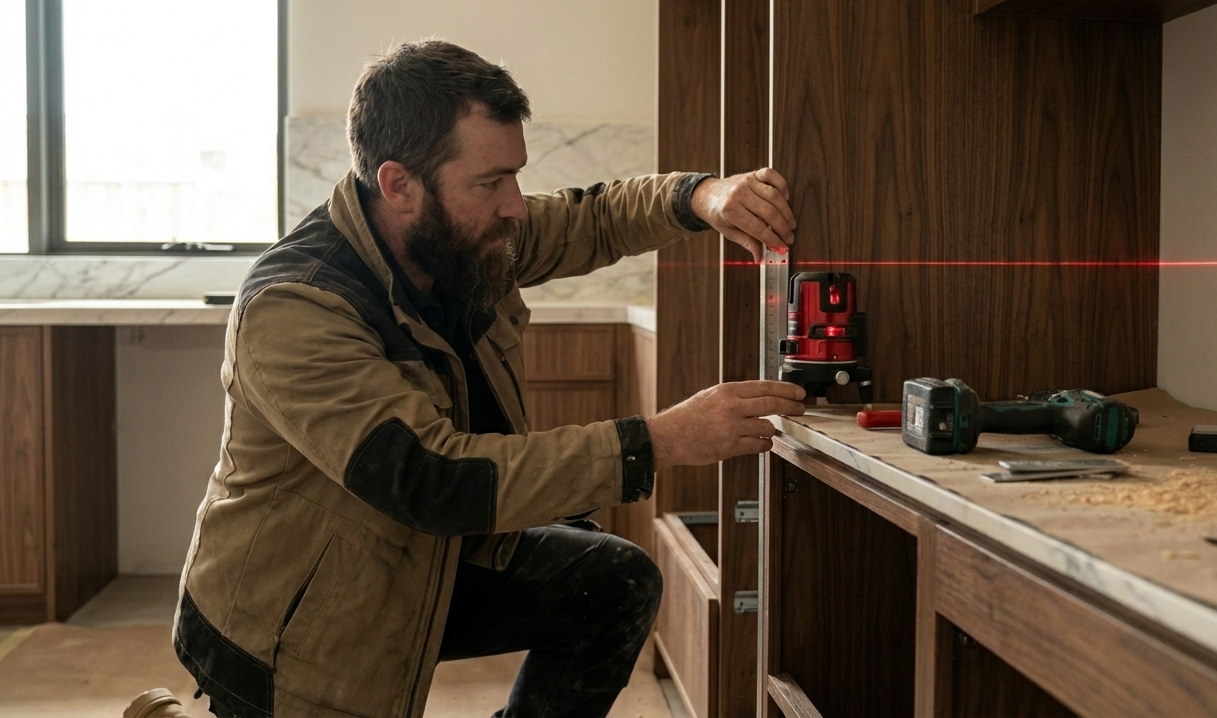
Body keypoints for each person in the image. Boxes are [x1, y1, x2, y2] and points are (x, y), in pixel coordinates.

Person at [173, 39, 805, 718]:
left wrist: (703, 197)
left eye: (515, 176)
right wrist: (654, 441)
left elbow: (592, 217)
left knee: (611, 583)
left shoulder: (462, 241)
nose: (517, 207)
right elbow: (432, 479)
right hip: (290, 625)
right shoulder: (296, 306)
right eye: (490, 183)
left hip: (413, 557)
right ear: (398, 184)